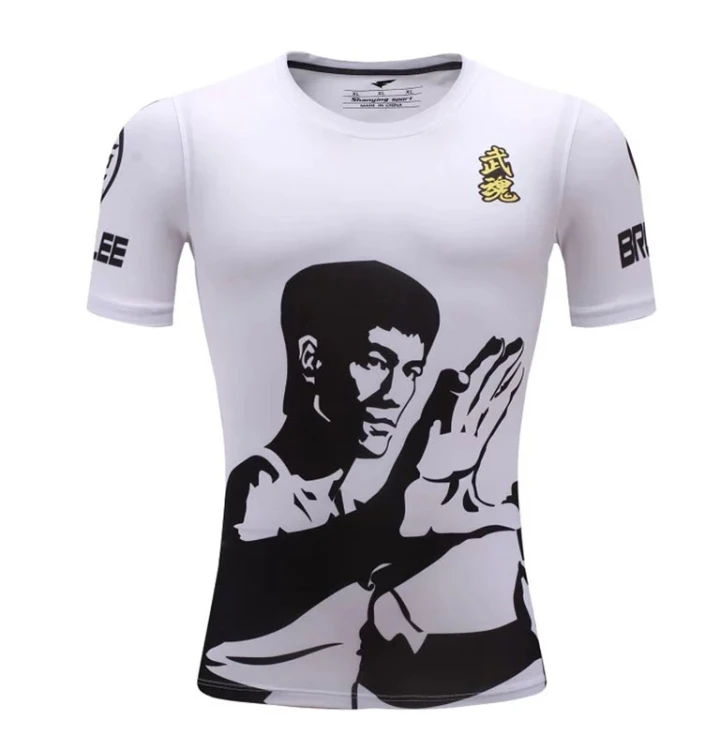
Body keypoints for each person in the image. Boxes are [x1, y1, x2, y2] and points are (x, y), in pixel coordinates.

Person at [198, 259, 541, 707]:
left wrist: (518, 635)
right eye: (377, 362)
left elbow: (392, 664)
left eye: (412, 371)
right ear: (311, 359)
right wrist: (402, 504)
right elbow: (258, 591)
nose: (397, 394)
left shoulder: (342, 504)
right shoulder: (261, 486)